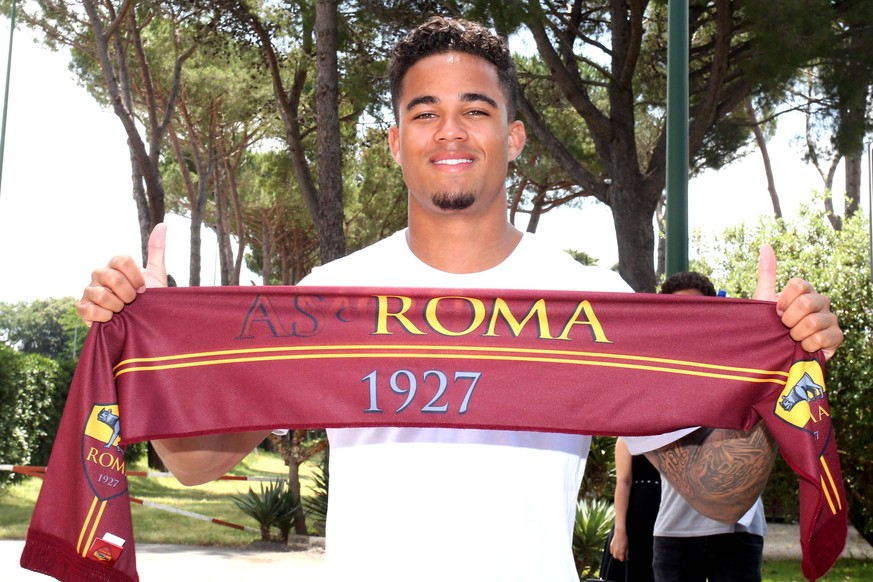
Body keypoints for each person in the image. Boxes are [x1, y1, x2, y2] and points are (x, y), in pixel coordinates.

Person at [76, 16, 843, 582]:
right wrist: (155, 346)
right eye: (424, 111)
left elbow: (724, 492)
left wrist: (768, 367)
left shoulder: (587, 298)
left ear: (512, 137)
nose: (451, 130)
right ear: (393, 140)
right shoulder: (328, 297)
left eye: (475, 109)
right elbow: (195, 462)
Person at [647, 271, 768, 582]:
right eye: (676, 312)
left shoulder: (741, 361)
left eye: (696, 310)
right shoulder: (649, 377)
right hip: (675, 533)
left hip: (738, 532)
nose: (687, 320)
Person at [603, 437, 661, 581]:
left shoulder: (677, 433)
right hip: (635, 522)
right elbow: (623, 483)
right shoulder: (627, 437)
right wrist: (620, 532)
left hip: (668, 517)